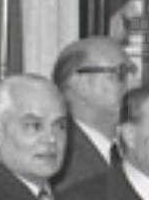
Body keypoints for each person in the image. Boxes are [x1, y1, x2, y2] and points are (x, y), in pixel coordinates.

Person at [52, 35, 134, 191]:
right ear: (80, 85)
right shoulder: (59, 159)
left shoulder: (132, 152)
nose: (134, 84)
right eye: (121, 73)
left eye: (132, 72)